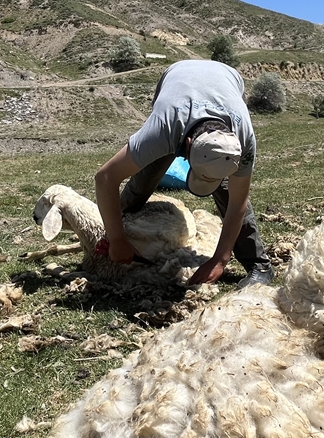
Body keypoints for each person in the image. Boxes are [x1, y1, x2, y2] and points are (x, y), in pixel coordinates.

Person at [94, 58, 274, 287]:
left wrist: (220, 259)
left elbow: (238, 203)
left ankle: (259, 265)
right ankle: (115, 232)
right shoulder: (163, 129)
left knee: (229, 192)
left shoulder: (243, 140)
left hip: (227, 79)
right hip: (176, 77)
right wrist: (117, 237)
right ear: (187, 145)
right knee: (150, 170)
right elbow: (105, 177)